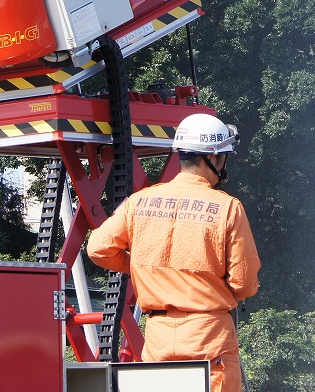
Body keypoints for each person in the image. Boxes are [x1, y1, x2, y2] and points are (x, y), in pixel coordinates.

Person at [88, 112, 260, 392]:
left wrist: (142, 267)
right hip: (209, 338)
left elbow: (97, 249)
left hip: (159, 339)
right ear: (214, 158)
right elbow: (244, 282)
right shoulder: (228, 208)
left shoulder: (139, 201)